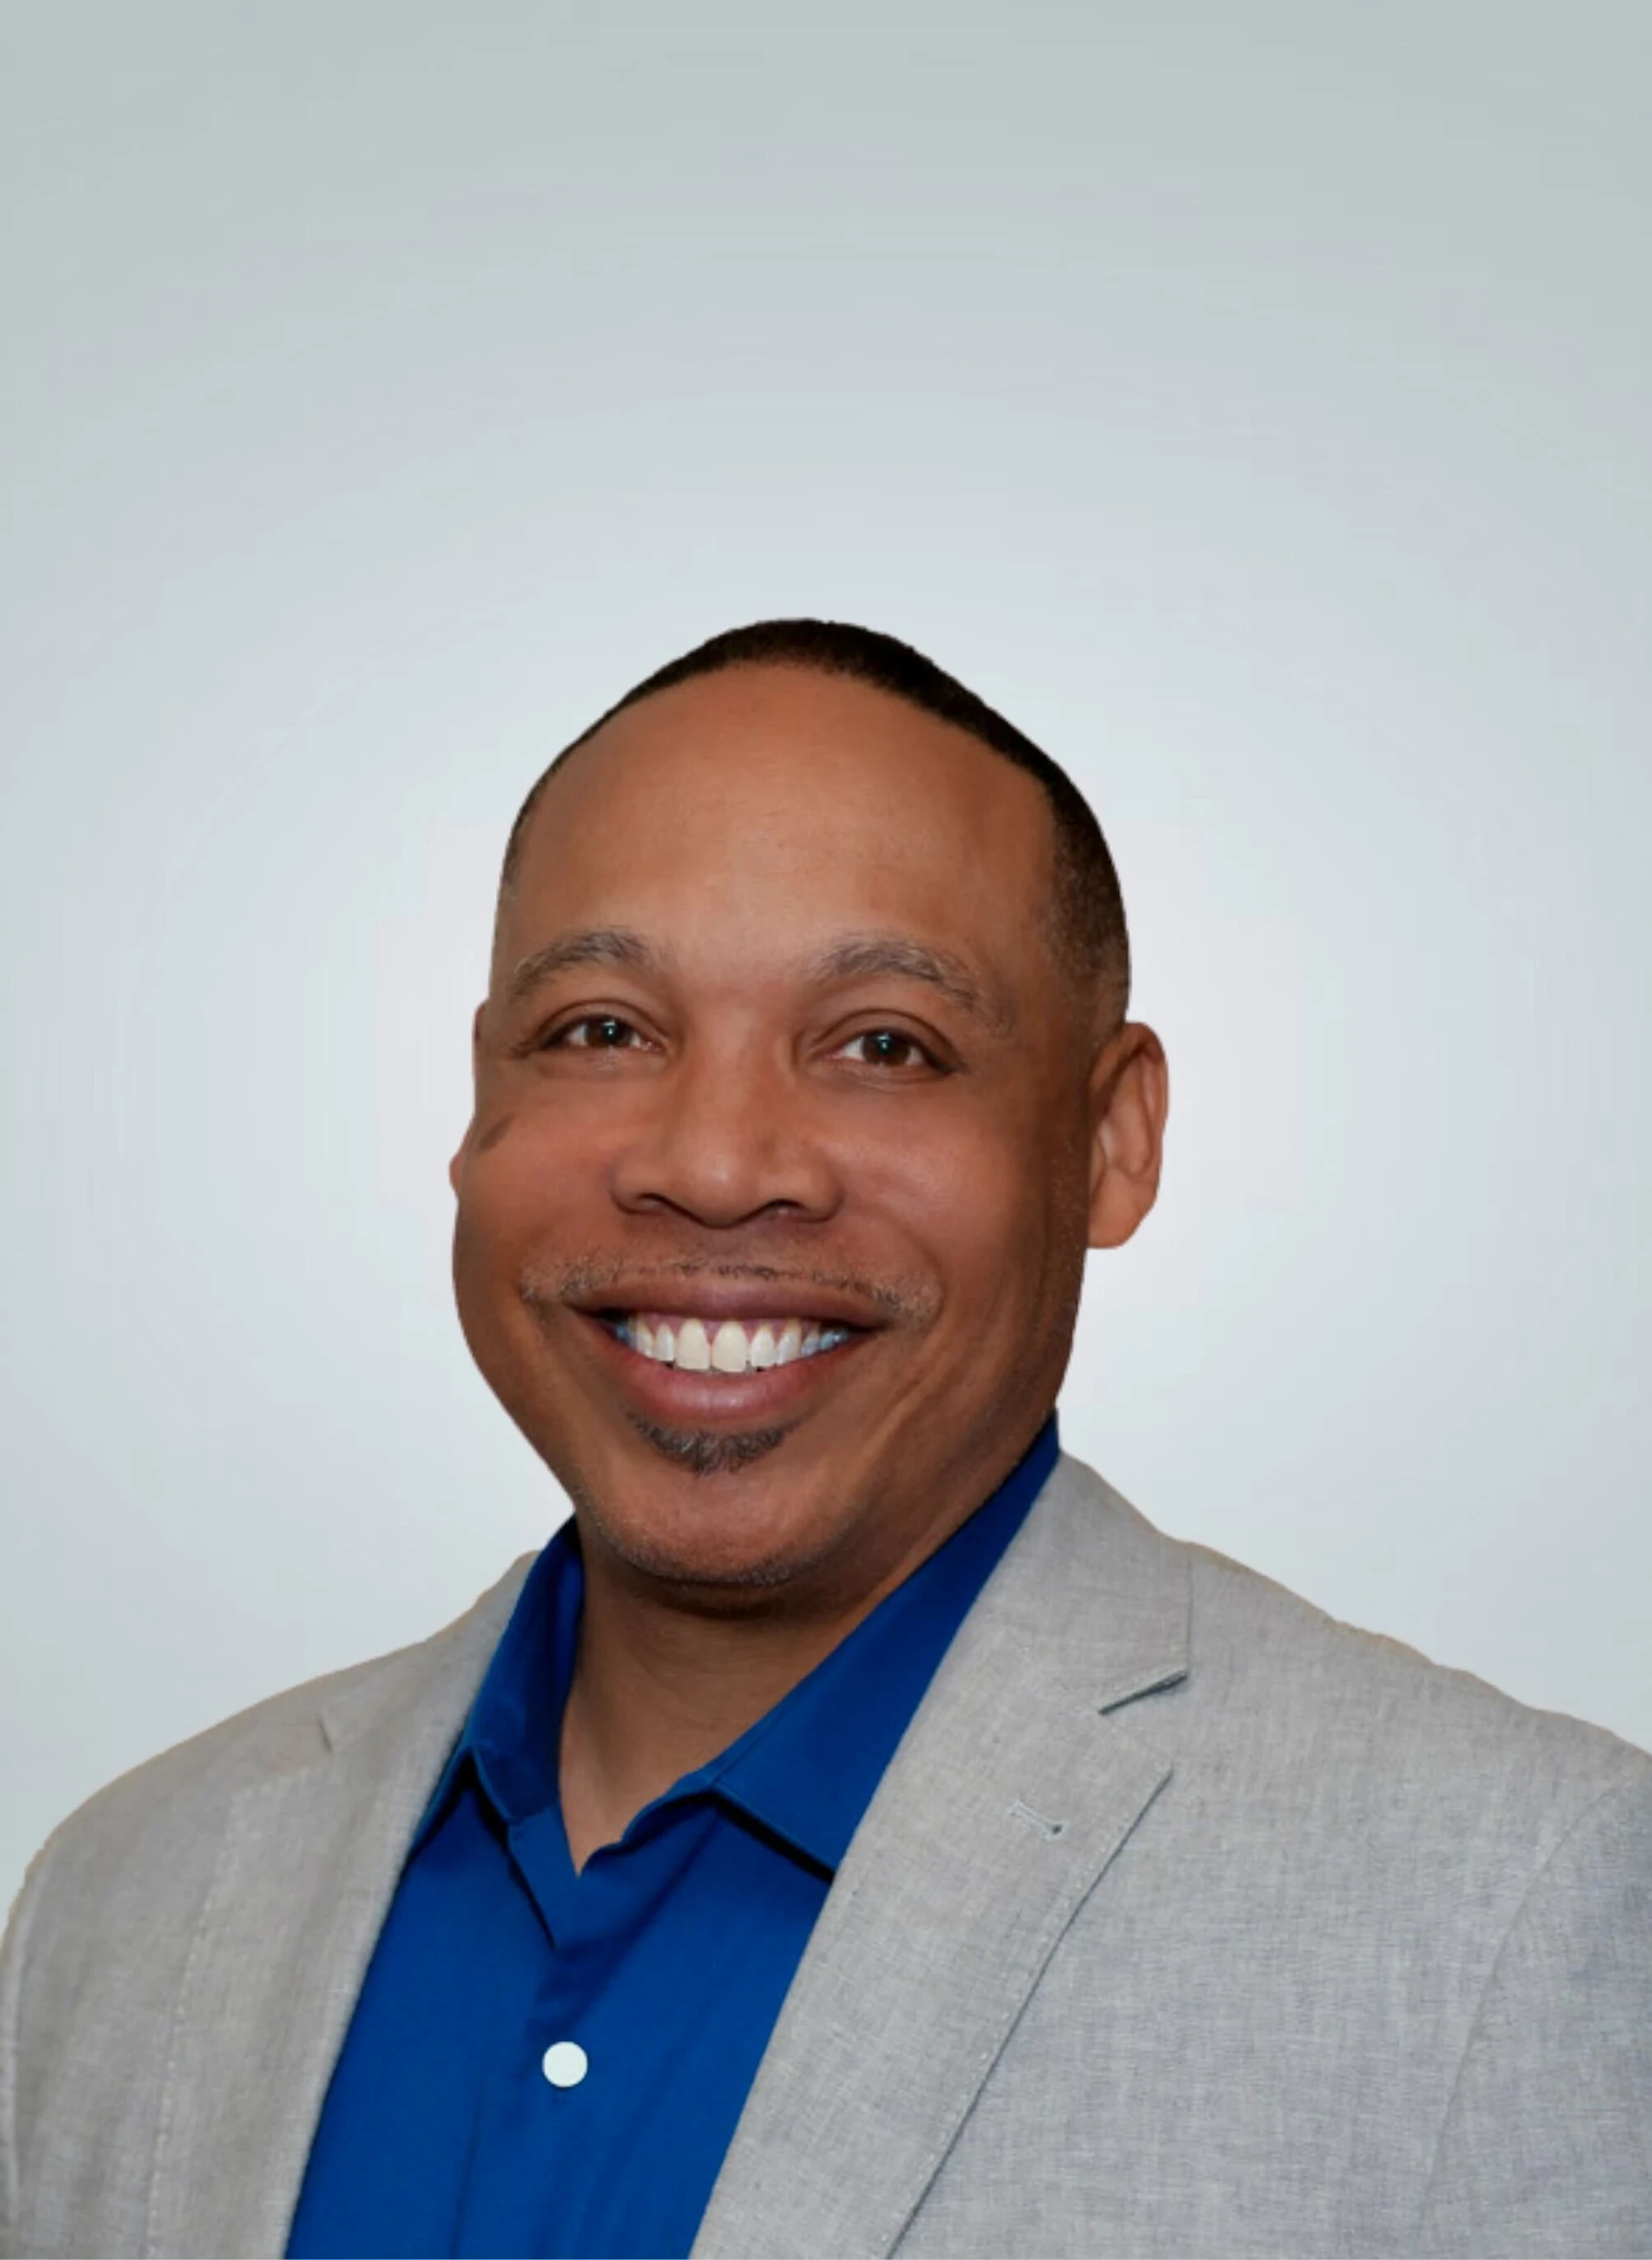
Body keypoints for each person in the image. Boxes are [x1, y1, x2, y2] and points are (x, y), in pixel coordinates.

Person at [2, 619, 1648, 2260]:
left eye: (882, 1044)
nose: (717, 1164)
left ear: (1108, 1138)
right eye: (602, 1028)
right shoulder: (127, 1895)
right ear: (479, 1098)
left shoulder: (1506, 1911)